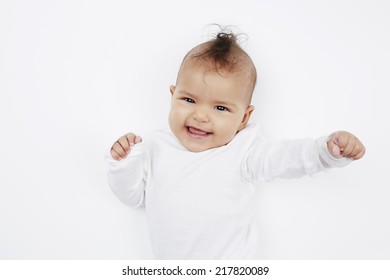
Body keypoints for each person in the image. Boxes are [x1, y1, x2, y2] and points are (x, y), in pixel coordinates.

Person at [105, 30, 365, 259]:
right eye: (189, 100)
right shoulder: (155, 146)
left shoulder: (243, 149)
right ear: (173, 96)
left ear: (243, 118)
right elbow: (134, 197)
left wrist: (324, 151)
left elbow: (286, 158)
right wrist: (124, 164)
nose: (201, 115)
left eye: (220, 107)